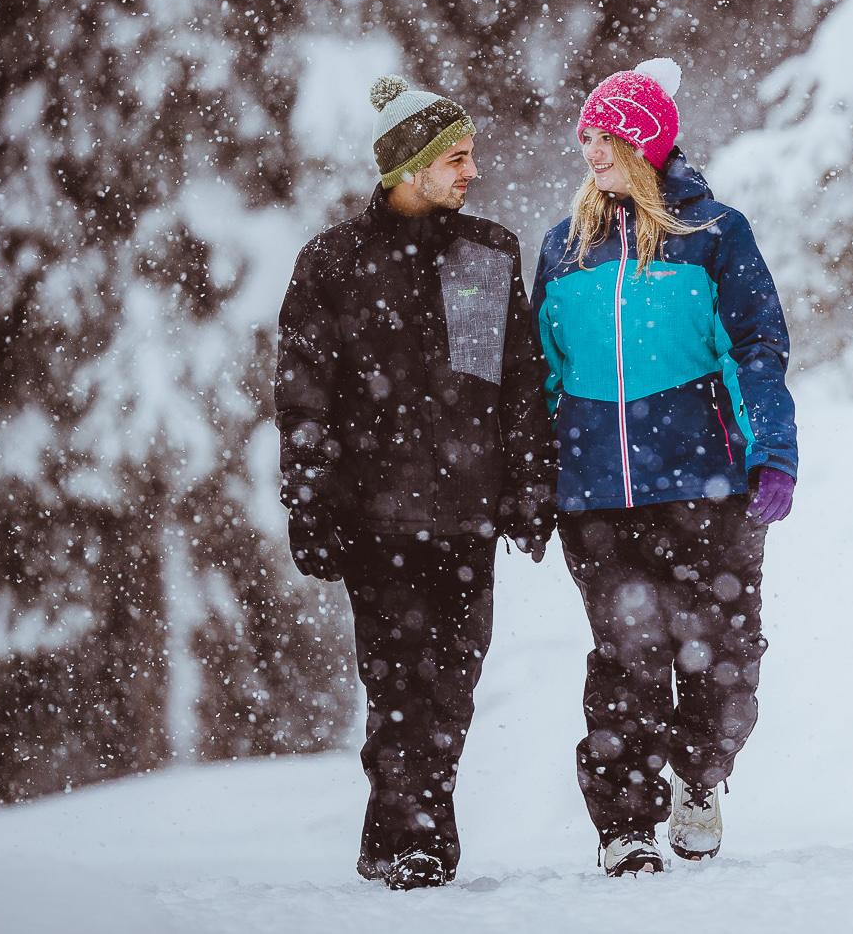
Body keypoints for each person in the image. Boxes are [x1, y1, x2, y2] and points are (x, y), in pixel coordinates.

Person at [276, 76, 557, 890]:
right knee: (399, 683)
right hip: (375, 520)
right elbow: (302, 396)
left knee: (454, 686)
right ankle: (419, 838)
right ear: (410, 165)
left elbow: (517, 381)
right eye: (457, 157)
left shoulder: (489, 253)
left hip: (468, 517)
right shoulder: (330, 263)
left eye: (472, 155)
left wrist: (529, 485)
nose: (473, 170)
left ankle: (392, 830)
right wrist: (309, 502)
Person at [531, 58, 798, 877]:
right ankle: (625, 824)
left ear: (646, 143)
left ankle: (700, 773)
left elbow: (758, 347)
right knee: (627, 658)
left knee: (723, 659)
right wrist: (533, 477)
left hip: (705, 485)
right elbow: (540, 374)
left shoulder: (713, 234)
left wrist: (773, 450)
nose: (592, 152)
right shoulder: (564, 248)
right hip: (596, 496)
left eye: (607, 138)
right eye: (587, 136)